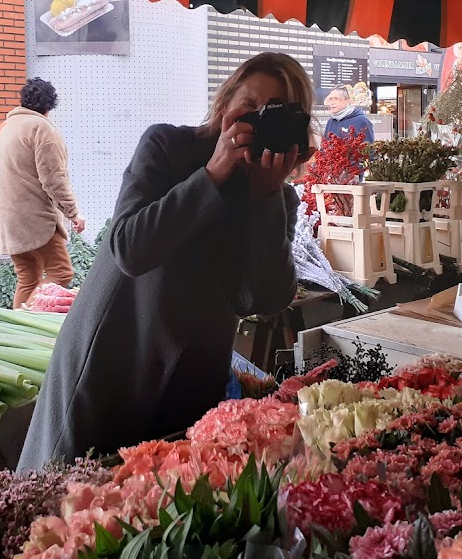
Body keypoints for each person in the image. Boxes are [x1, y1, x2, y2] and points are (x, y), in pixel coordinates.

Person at [17, 53, 315, 470]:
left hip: (192, 383)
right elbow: (129, 249)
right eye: (249, 106)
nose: (256, 121)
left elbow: (262, 299)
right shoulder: (167, 147)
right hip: (115, 361)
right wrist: (211, 175)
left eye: (274, 113)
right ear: (224, 103)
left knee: (162, 511)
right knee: (70, 501)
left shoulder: (275, 197)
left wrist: (265, 198)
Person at [0, 78, 85, 310]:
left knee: (28, 278)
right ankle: (31, 316)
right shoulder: (42, 128)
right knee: (61, 272)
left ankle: (19, 331)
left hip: (5, 220)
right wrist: (73, 213)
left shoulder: (4, 129)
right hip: (33, 218)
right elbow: (53, 177)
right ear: (49, 107)